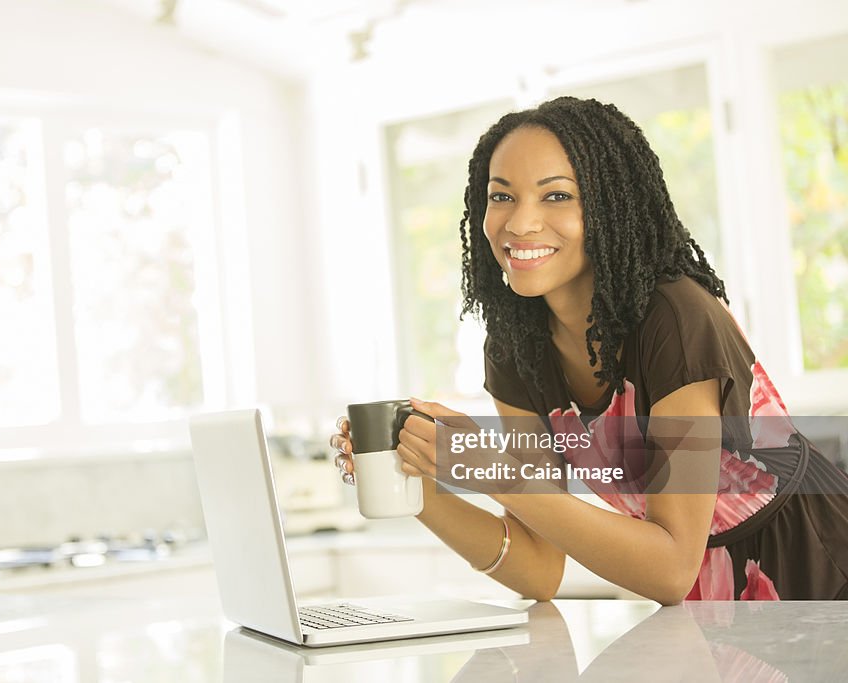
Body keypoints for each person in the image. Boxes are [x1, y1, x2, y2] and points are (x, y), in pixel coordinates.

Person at [331, 97, 848, 603]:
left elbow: (670, 568)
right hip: (711, 605)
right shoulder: (517, 348)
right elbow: (537, 568)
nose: (520, 223)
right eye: (501, 196)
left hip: (822, 569)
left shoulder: (675, 319)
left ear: (609, 205)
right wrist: (414, 477)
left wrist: (485, 467)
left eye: (556, 196)